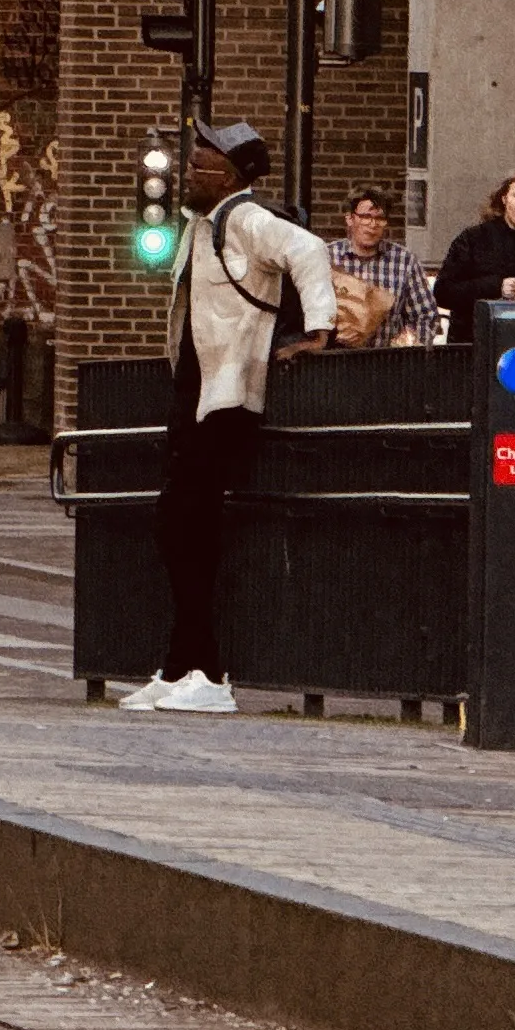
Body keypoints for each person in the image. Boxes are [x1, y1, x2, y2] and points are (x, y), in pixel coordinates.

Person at [129, 120, 334, 716]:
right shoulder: (202, 225)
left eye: (201, 164)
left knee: (189, 527)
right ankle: (179, 665)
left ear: (233, 175)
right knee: (178, 525)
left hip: (225, 397)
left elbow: (309, 249)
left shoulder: (246, 221)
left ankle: (207, 672)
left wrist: (320, 330)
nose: (188, 172)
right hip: (193, 395)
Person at [434, 169, 515, 332]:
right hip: (476, 344)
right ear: (504, 199)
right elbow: (443, 293)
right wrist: (496, 287)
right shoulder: (473, 239)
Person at [328, 186, 430, 347]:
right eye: (365, 216)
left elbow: (425, 315)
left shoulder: (404, 261)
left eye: (380, 218)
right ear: (349, 218)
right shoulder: (328, 257)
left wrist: (411, 345)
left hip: (387, 362)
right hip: (335, 359)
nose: (372, 224)